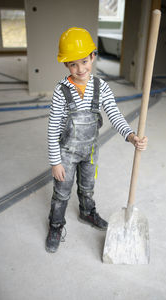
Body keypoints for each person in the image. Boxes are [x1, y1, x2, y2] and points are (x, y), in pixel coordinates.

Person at [46, 27, 148, 253]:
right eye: (73, 64)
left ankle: (87, 212)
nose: (80, 69)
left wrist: (131, 136)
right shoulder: (61, 90)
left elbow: (114, 114)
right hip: (66, 153)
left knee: (87, 186)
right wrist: (55, 162)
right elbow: (53, 129)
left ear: (93, 56)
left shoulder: (101, 87)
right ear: (66, 65)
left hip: (90, 151)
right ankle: (55, 225)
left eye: (84, 61)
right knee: (62, 191)